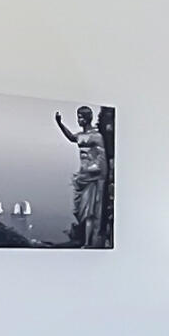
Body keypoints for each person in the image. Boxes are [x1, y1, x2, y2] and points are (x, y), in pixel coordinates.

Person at [55, 104, 112, 248]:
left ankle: (89, 242)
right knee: (81, 211)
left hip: (93, 177)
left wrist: (95, 170)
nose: (79, 120)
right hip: (83, 176)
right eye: (78, 117)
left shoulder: (96, 136)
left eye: (80, 117)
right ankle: (86, 241)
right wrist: (60, 124)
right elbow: (71, 138)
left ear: (87, 119)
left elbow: (101, 157)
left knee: (91, 211)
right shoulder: (81, 136)